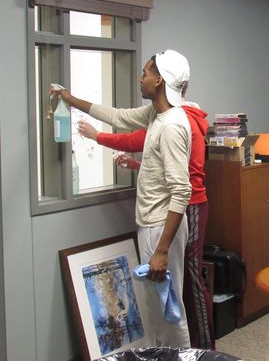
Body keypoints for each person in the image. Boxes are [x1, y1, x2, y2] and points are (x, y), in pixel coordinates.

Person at [53, 49, 193, 348]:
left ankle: (182, 356)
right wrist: (72, 99)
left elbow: (182, 191)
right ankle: (160, 354)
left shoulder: (171, 126)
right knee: (156, 307)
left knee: (169, 308)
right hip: (153, 225)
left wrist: (162, 250)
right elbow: (117, 116)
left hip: (161, 229)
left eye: (145, 72)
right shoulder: (157, 114)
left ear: (159, 80)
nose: (140, 77)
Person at [78, 95, 216, 349]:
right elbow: (159, 159)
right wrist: (136, 164)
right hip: (174, 207)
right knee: (168, 291)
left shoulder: (175, 120)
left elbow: (136, 139)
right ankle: (179, 348)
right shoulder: (170, 117)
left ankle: (204, 348)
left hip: (186, 205)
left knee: (184, 284)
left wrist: (97, 136)